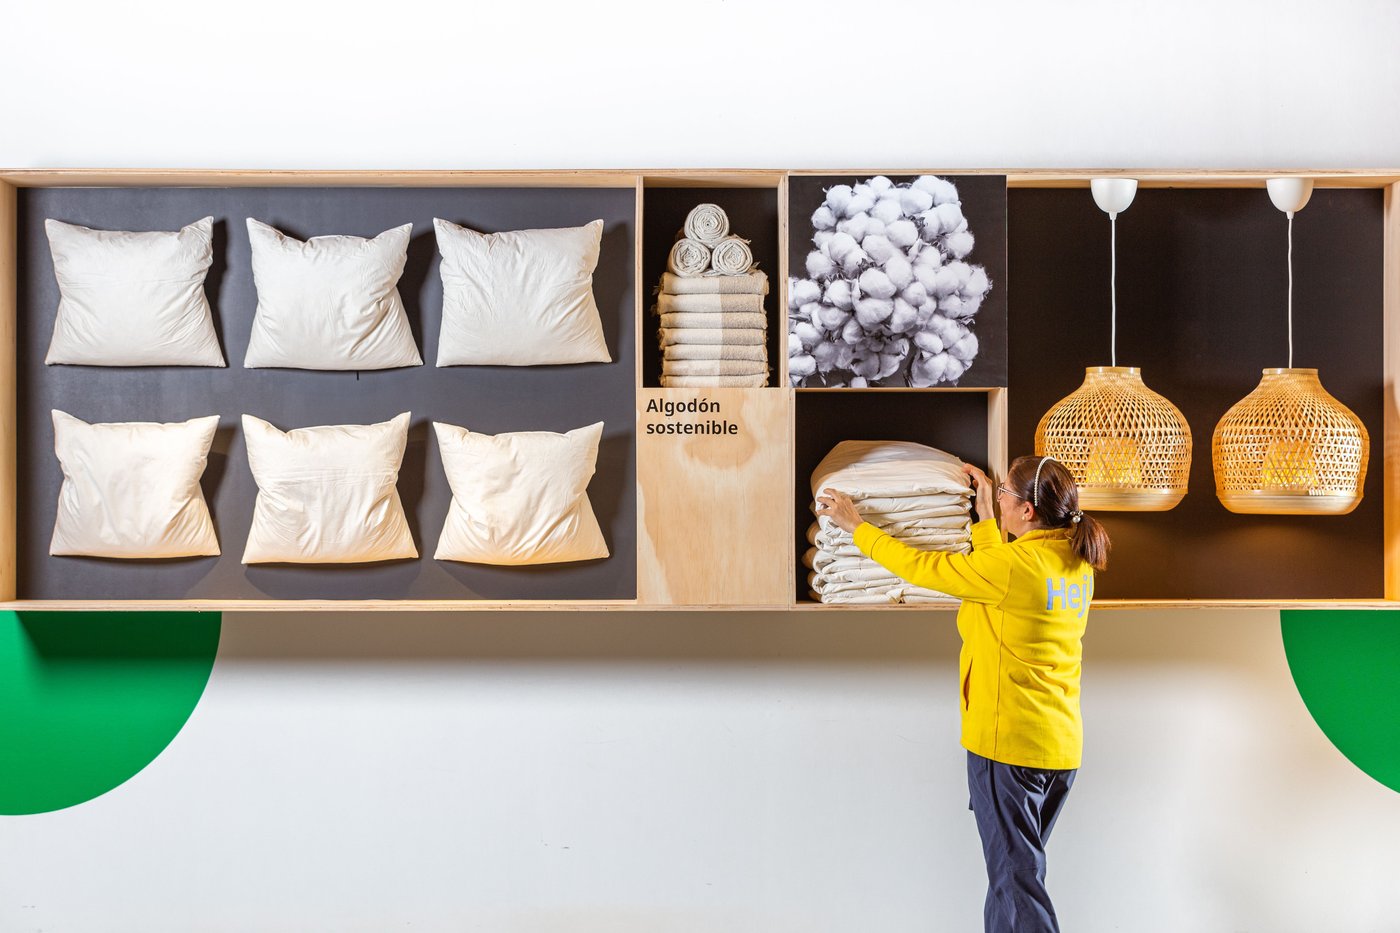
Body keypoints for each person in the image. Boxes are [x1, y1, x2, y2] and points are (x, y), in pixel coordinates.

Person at [816, 455, 1110, 933]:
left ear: (1028, 512)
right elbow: (1001, 577)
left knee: (1016, 882)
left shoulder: (1012, 567)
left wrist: (858, 528)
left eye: (1006, 496)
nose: (1000, 500)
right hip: (1058, 749)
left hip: (1007, 746)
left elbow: (924, 567)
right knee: (1010, 880)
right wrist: (988, 523)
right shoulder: (1076, 563)